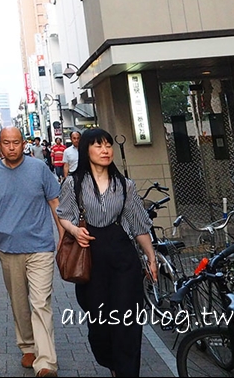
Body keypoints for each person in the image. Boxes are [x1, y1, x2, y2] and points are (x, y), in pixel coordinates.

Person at [56, 127, 157, 377]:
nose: (105, 150)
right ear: (86, 150)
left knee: (128, 321)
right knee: (100, 324)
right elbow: (64, 216)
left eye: (108, 145)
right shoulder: (74, 183)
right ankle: (112, 363)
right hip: (90, 256)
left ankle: (126, 371)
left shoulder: (125, 185)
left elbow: (138, 224)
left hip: (122, 255)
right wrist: (74, 231)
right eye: (98, 145)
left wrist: (151, 257)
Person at [0, 127, 62, 378]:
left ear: (23, 143)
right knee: (19, 302)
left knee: (40, 302)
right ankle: (27, 346)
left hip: (40, 247)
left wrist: (64, 234)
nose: (11, 147)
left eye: (15, 142)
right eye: (6, 143)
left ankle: (46, 362)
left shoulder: (39, 169)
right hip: (8, 247)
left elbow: (55, 203)